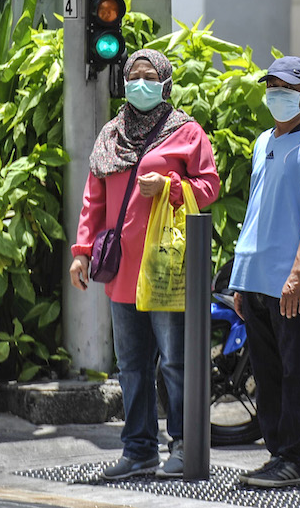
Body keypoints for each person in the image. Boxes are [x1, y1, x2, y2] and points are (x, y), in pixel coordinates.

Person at [69, 48, 220, 480]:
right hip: (121, 272)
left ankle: (185, 446)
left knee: (174, 362)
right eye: (132, 75)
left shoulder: (186, 132)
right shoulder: (112, 134)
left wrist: (171, 185)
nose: (139, 83)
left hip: (165, 269)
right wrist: (82, 252)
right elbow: (92, 198)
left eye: (149, 75)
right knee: (131, 366)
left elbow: (208, 186)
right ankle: (138, 450)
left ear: (165, 83)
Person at [228, 56, 300, 488]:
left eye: (286, 86)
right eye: (271, 85)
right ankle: (278, 455)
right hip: (255, 274)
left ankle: (296, 458)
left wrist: (298, 271)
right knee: (267, 369)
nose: (277, 93)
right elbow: (258, 210)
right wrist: (241, 276)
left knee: (296, 368)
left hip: (290, 277)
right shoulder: (262, 141)